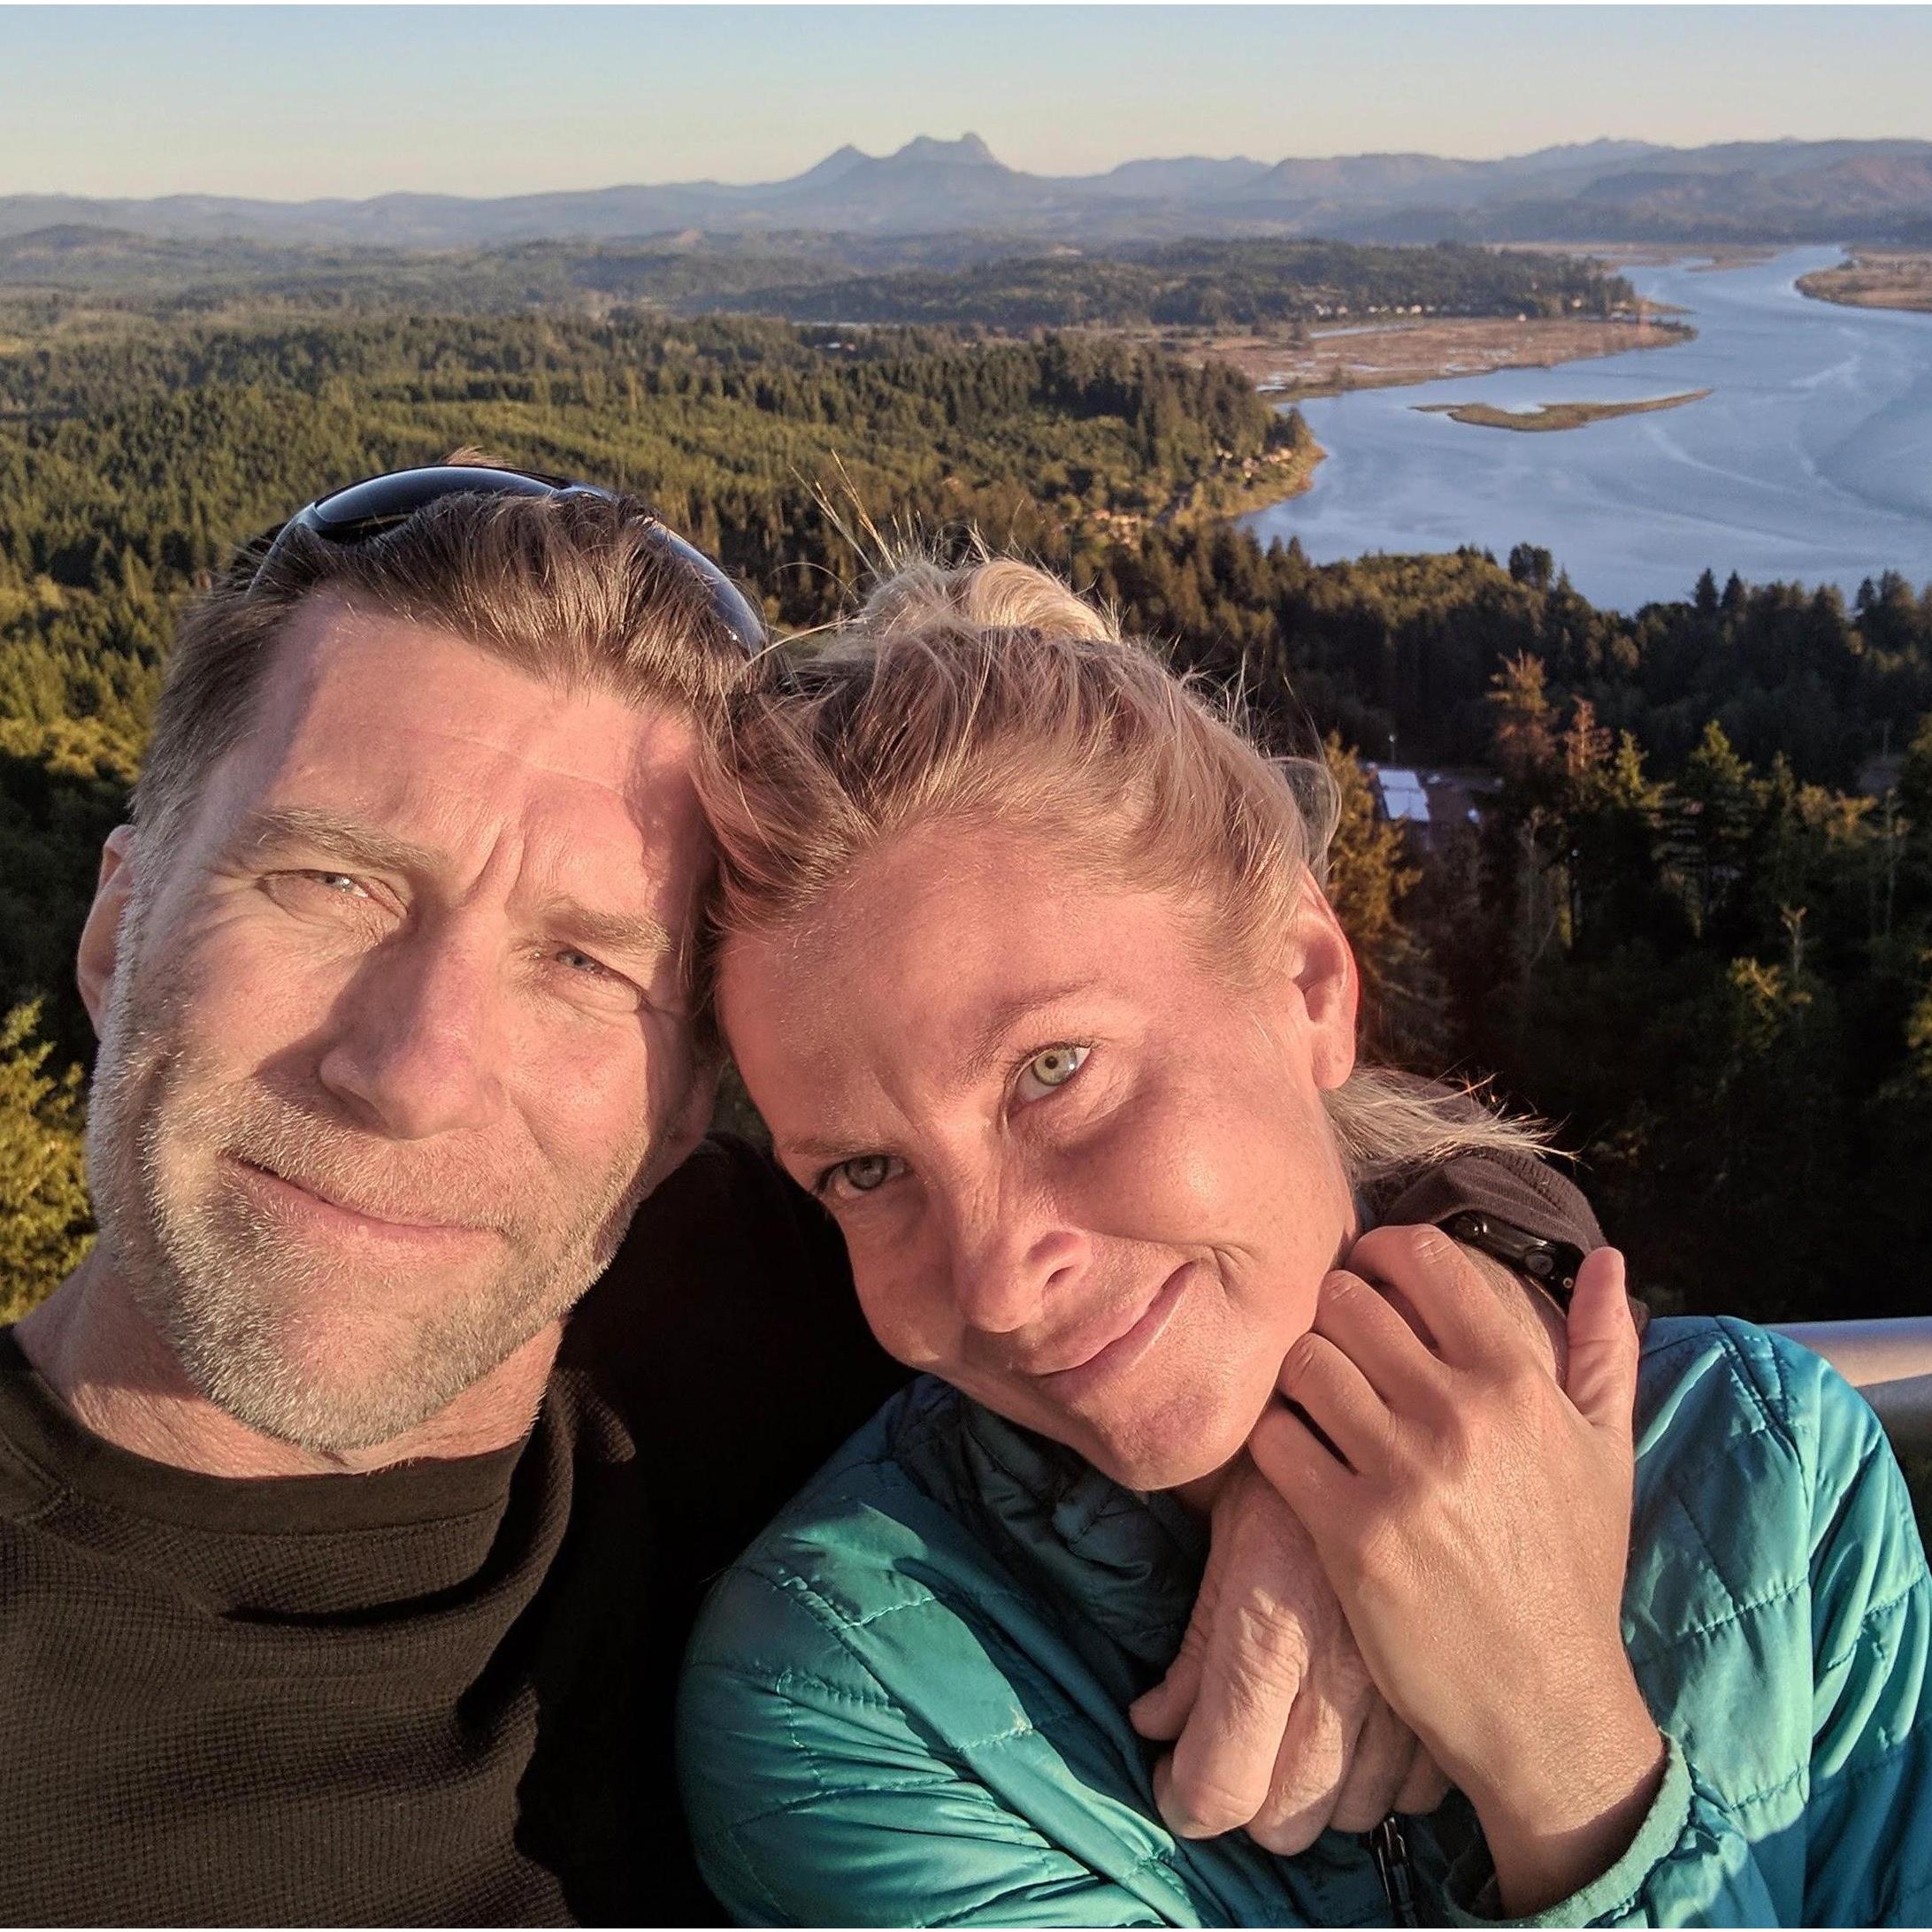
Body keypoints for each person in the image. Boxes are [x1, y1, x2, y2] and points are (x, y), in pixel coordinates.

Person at [0, 468, 1593, 1925]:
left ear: (692, 1099)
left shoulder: (794, 1298)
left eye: (581, 964)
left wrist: (1345, 1451)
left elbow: (1281, 1170)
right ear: (114, 924)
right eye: (326, 882)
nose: (413, 1069)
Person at [678, 553, 1932, 1926]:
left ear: (1309, 985)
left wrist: (1556, 1739)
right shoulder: (853, 1695)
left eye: (1055, 1071)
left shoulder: (1775, 1470)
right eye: (864, 1169)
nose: (994, 1271)